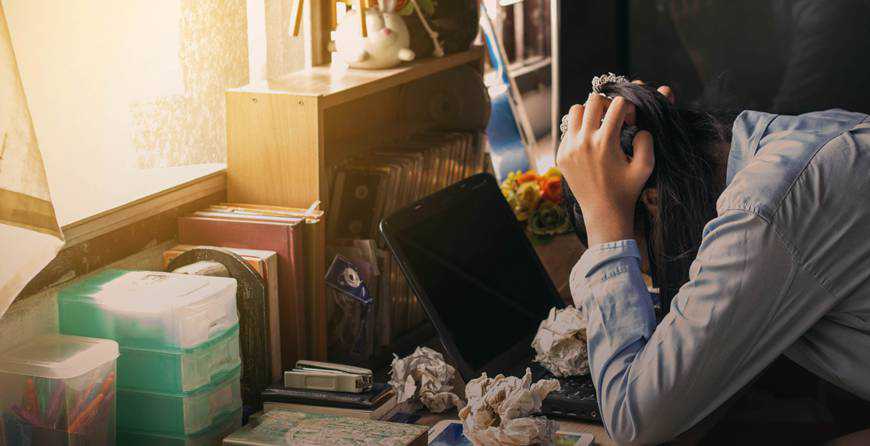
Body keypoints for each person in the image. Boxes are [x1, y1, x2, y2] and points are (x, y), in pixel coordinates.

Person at [558, 75, 870, 444]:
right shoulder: (794, 141)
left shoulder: (762, 209)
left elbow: (632, 418)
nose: (656, 278)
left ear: (653, 201)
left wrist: (605, 223)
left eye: (648, 264)